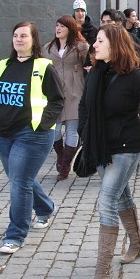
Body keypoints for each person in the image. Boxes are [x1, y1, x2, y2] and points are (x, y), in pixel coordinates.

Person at [79, 25, 140, 279]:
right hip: (103, 146)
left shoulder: (136, 77)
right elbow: (84, 106)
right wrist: (85, 133)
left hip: (127, 146)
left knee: (106, 201)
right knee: (120, 197)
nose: (94, 45)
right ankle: (137, 243)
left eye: (100, 41)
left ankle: (102, 271)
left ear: (115, 45)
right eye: (95, 41)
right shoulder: (96, 73)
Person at [0, 21, 64, 255]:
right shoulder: (2, 67)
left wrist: (42, 124)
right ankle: (46, 208)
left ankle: (15, 235)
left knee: (19, 182)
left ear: (34, 40)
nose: (19, 40)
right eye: (16, 36)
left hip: (32, 135)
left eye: (24, 36)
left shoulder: (43, 67)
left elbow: (58, 100)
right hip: (3, 135)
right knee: (20, 178)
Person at [43, 15, 90, 179]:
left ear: (70, 29)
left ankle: (65, 165)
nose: (58, 29)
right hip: (54, 93)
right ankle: (61, 155)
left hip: (75, 90)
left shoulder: (81, 46)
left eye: (62, 26)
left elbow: (91, 64)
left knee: (71, 130)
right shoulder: (48, 48)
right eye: (57, 25)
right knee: (54, 130)